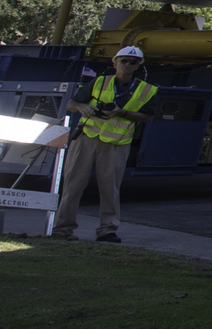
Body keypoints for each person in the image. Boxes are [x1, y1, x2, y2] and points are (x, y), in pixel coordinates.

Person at [52, 45, 156, 242]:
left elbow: (147, 117)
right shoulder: (99, 82)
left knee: (110, 189)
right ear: (115, 62)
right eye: (123, 60)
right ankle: (62, 229)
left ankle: (108, 230)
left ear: (138, 65)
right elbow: (71, 104)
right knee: (73, 185)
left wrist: (121, 112)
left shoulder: (146, 90)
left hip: (117, 143)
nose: (127, 64)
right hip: (86, 137)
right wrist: (83, 107)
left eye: (132, 62)